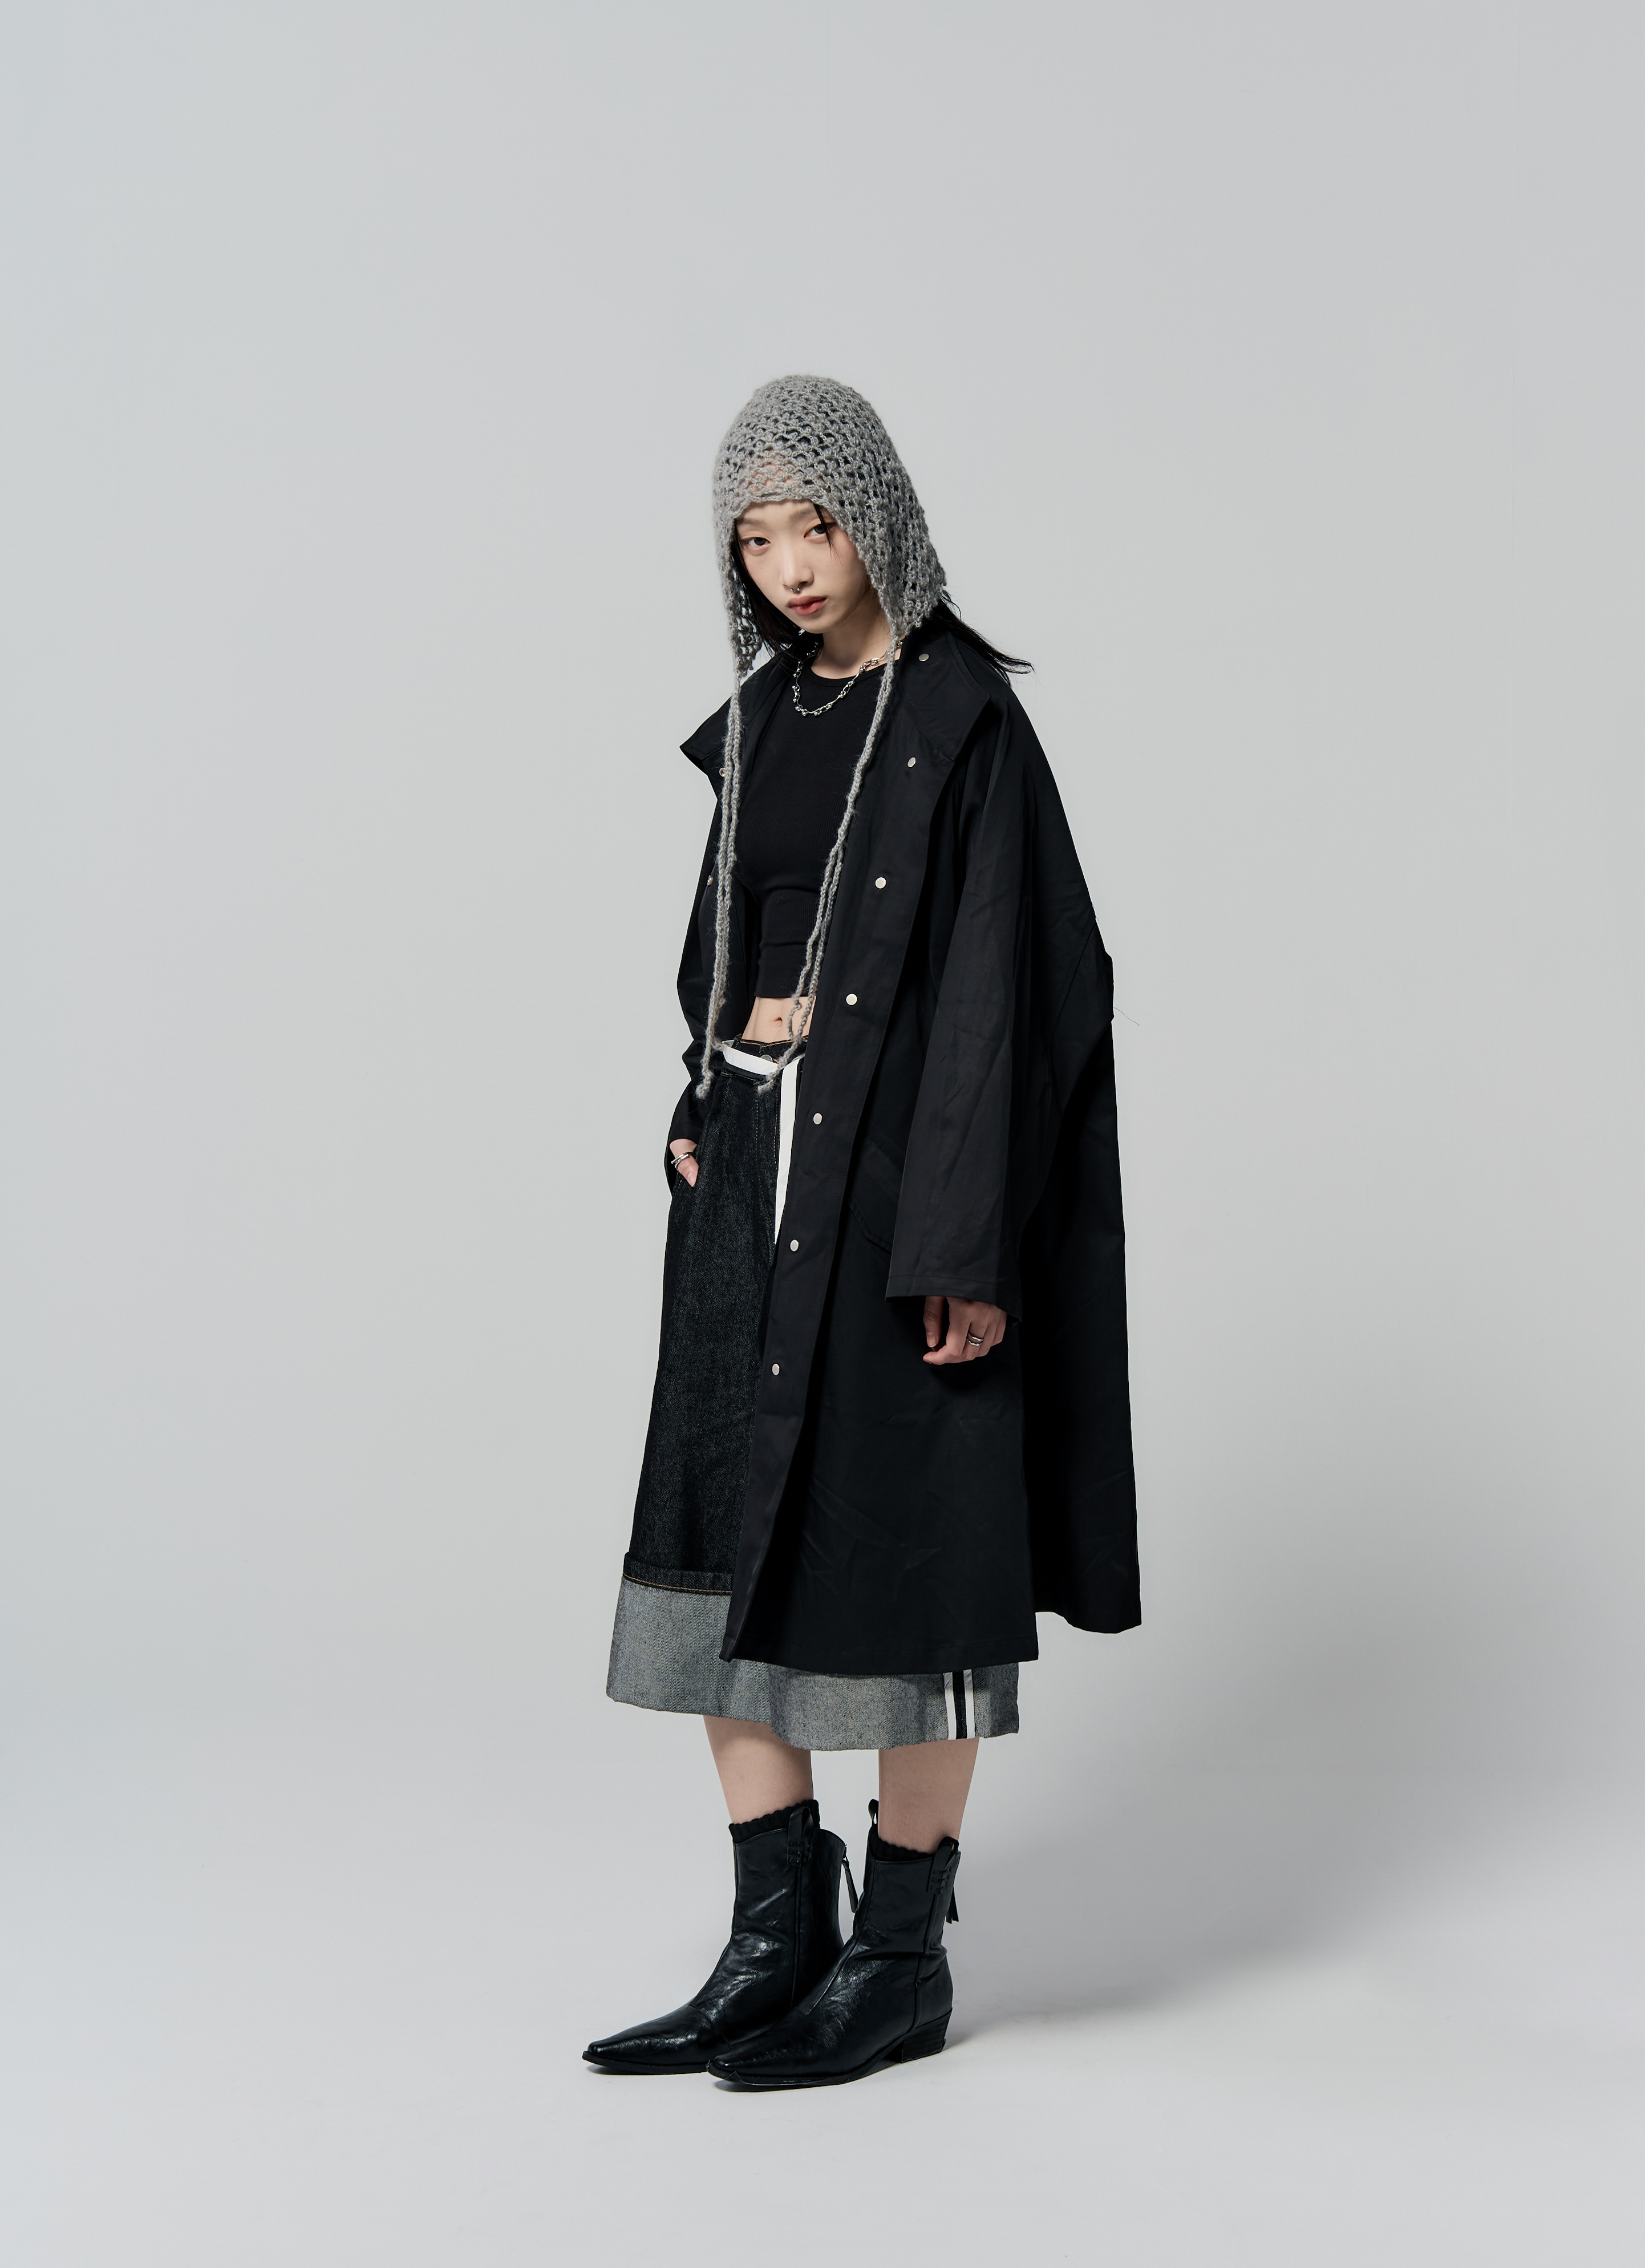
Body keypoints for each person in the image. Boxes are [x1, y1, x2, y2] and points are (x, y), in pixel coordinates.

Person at [585, 375, 1138, 2088]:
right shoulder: (763, 717)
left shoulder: (964, 719)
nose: (790, 565)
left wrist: (964, 1248)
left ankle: (899, 1957)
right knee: (717, 1538)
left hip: (899, 1204)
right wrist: (703, 1092)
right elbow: (722, 942)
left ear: (875, 513)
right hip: (748, 1183)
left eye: (814, 525)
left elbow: (1013, 998)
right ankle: (776, 1938)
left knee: (909, 1558)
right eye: (756, 538)